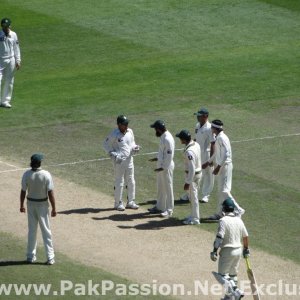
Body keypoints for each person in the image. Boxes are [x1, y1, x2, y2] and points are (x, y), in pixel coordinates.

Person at [202, 119, 244, 220]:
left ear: (215, 128)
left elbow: (226, 154)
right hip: (221, 166)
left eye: (212, 127)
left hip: (225, 166)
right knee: (220, 191)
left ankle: (238, 210)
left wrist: (218, 167)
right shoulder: (218, 137)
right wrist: (208, 162)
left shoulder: (222, 138)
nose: (211, 129)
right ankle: (220, 213)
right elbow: (217, 153)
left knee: (224, 190)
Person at [20, 154, 56, 265]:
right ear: (40, 163)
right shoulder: (46, 174)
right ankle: (50, 257)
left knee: (32, 231)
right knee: (46, 231)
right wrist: (54, 208)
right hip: (42, 205)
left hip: (30, 204)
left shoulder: (26, 174)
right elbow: (50, 193)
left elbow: (23, 191)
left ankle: (30, 256)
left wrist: (21, 205)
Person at [210, 198, 250, 300]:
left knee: (221, 276)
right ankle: (229, 297)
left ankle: (236, 292)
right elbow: (245, 236)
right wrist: (246, 249)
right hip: (238, 251)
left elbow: (220, 237)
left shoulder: (223, 220)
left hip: (228, 251)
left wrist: (214, 251)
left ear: (224, 209)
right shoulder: (239, 220)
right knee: (232, 275)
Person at [103, 115, 140, 211]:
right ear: (119, 125)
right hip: (119, 161)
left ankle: (131, 201)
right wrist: (113, 154)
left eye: (127, 123)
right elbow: (105, 145)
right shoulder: (114, 134)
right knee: (120, 181)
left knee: (131, 180)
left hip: (130, 160)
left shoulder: (130, 131)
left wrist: (135, 147)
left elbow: (132, 143)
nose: (126, 125)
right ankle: (117, 203)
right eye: (124, 124)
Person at [180, 108, 215, 203]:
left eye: (199, 116)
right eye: (197, 115)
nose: (197, 117)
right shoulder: (197, 125)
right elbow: (195, 139)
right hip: (198, 154)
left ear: (205, 116)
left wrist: (211, 160)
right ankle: (189, 194)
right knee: (195, 174)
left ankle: (206, 195)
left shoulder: (209, 128)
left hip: (207, 154)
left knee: (208, 175)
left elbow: (213, 143)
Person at [148, 120, 175, 218]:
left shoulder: (167, 138)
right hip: (161, 166)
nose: (155, 130)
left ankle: (169, 210)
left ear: (158, 129)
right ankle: (160, 206)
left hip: (166, 167)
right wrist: (157, 158)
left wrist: (163, 168)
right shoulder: (163, 137)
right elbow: (163, 153)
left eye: (155, 129)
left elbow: (169, 155)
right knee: (160, 187)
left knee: (168, 188)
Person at [176, 130, 201, 225]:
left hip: (193, 176)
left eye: (180, 138)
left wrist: (187, 182)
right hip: (197, 174)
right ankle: (193, 215)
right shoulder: (196, 144)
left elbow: (192, 169)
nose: (179, 140)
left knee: (193, 198)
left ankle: (195, 219)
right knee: (192, 197)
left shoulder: (189, 152)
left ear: (183, 139)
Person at [0, 17, 21, 108]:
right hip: (0, 61)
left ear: (10, 26)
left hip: (11, 60)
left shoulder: (14, 34)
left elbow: (16, 48)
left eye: (7, 26)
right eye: (4, 27)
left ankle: (5, 101)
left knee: (9, 81)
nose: (6, 28)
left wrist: (18, 60)